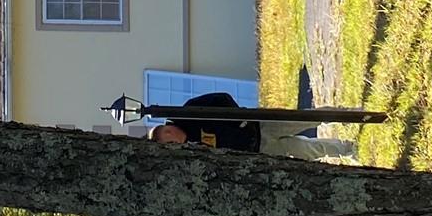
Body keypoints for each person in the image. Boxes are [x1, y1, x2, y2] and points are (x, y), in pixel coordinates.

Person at [146, 92, 358, 161]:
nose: (174, 139)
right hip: (258, 151)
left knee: (306, 119)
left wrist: (239, 118)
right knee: (306, 150)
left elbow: (222, 98)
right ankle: (347, 149)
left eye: (168, 135)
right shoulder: (190, 152)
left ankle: (352, 115)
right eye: (170, 144)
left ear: (167, 128)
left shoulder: (189, 112)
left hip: (260, 124)